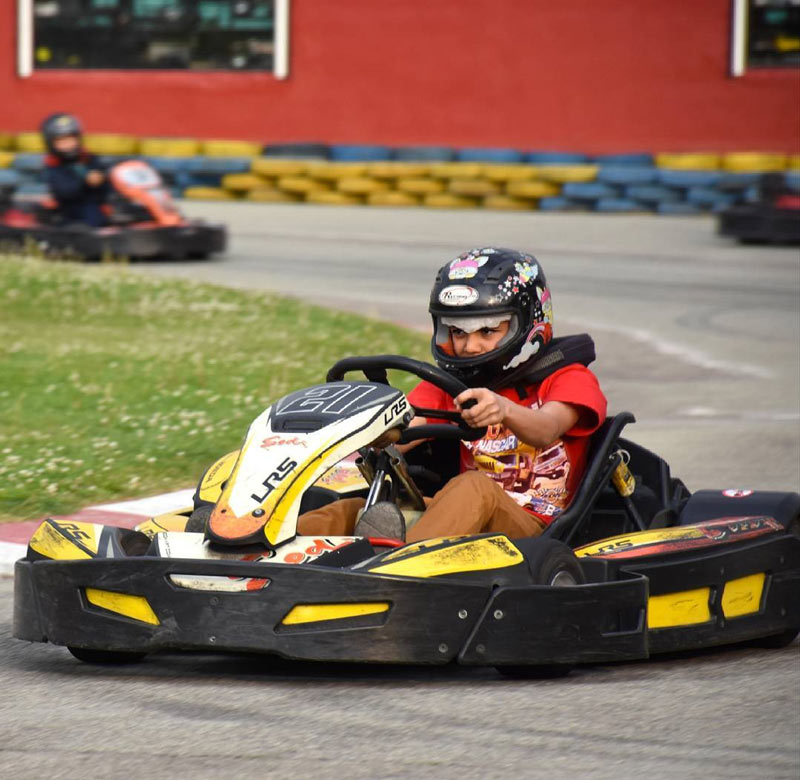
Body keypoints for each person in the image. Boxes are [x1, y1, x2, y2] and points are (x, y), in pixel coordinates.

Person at [298, 247, 607, 542]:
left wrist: (505, 410)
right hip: (460, 516)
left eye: (487, 331)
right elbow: (400, 431)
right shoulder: (450, 386)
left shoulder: (569, 378)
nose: (469, 347)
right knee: (354, 510)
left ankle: (396, 566)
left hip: (534, 529)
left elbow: (547, 428)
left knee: (475, 487)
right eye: (459, 332)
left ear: (527, 323)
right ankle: (263, 552)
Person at [40, 113, 109, 227]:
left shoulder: (89, 159)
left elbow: (104, 179)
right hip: (72, 212)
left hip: (98, 206)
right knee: (89, 213)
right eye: (61, 141)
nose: (68, 144)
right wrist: (86, 181)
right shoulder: (54, 165)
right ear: (51, 144)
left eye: (71, 139)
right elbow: (65, 191)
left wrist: (103, 177)